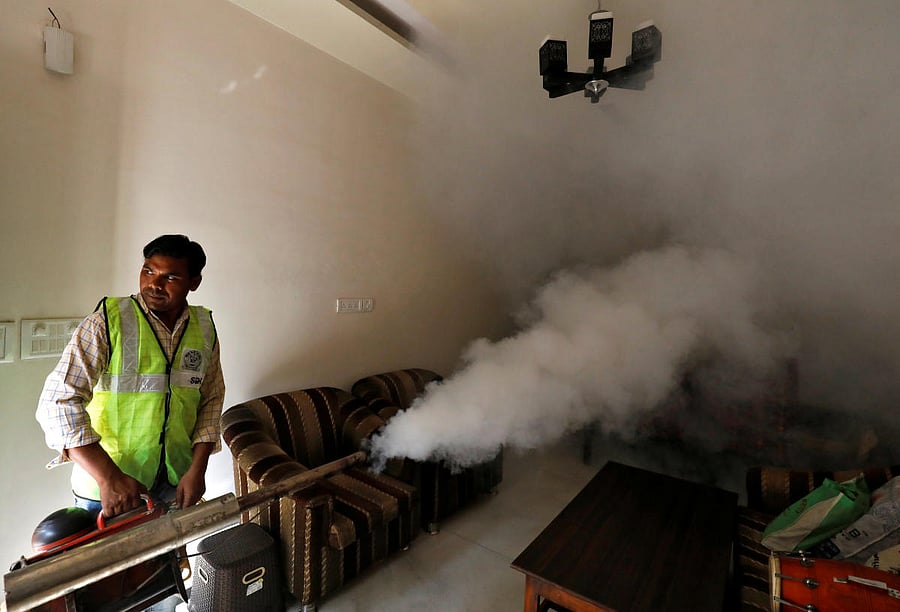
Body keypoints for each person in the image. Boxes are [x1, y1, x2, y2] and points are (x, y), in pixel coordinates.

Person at [37, 234, 225, 519]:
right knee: (107, 565)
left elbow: (210, 400)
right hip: (109, 491)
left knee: (165, 564)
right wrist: (108, 478)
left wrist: (197, 470)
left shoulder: (204, 328)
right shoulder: (108, 321)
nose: (154, 284)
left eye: (170, 277)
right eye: (148, 270)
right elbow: (58, 403)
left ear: (194, 283)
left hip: (175, 485)